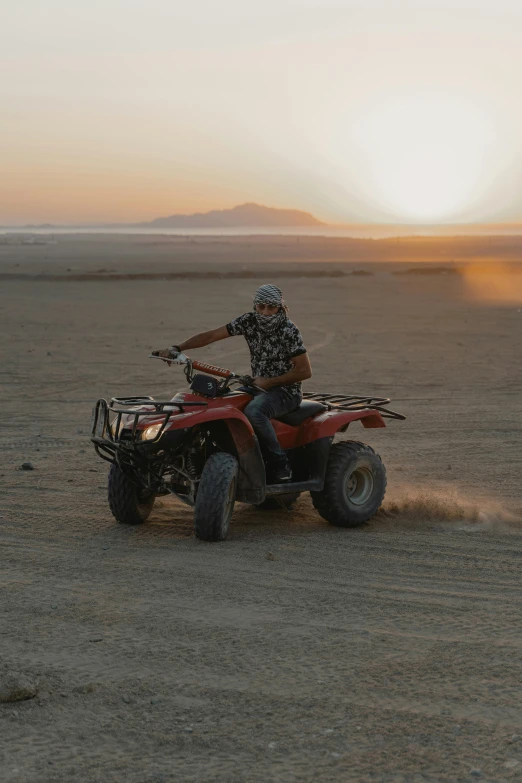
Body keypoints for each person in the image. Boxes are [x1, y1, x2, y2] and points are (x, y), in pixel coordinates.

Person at [153, 284, 312, 482]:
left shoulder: (289, 330)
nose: (265, 313)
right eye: (261, 307)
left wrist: (269, 382)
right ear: (255, 306)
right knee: (214, 403)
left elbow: (305, 371)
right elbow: (212, 335)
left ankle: (280, 463)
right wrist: (177, 347)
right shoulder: (249, 321)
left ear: (280, 308)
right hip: (257, 386)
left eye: (271, 308)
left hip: (286, 392)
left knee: (255, 412)